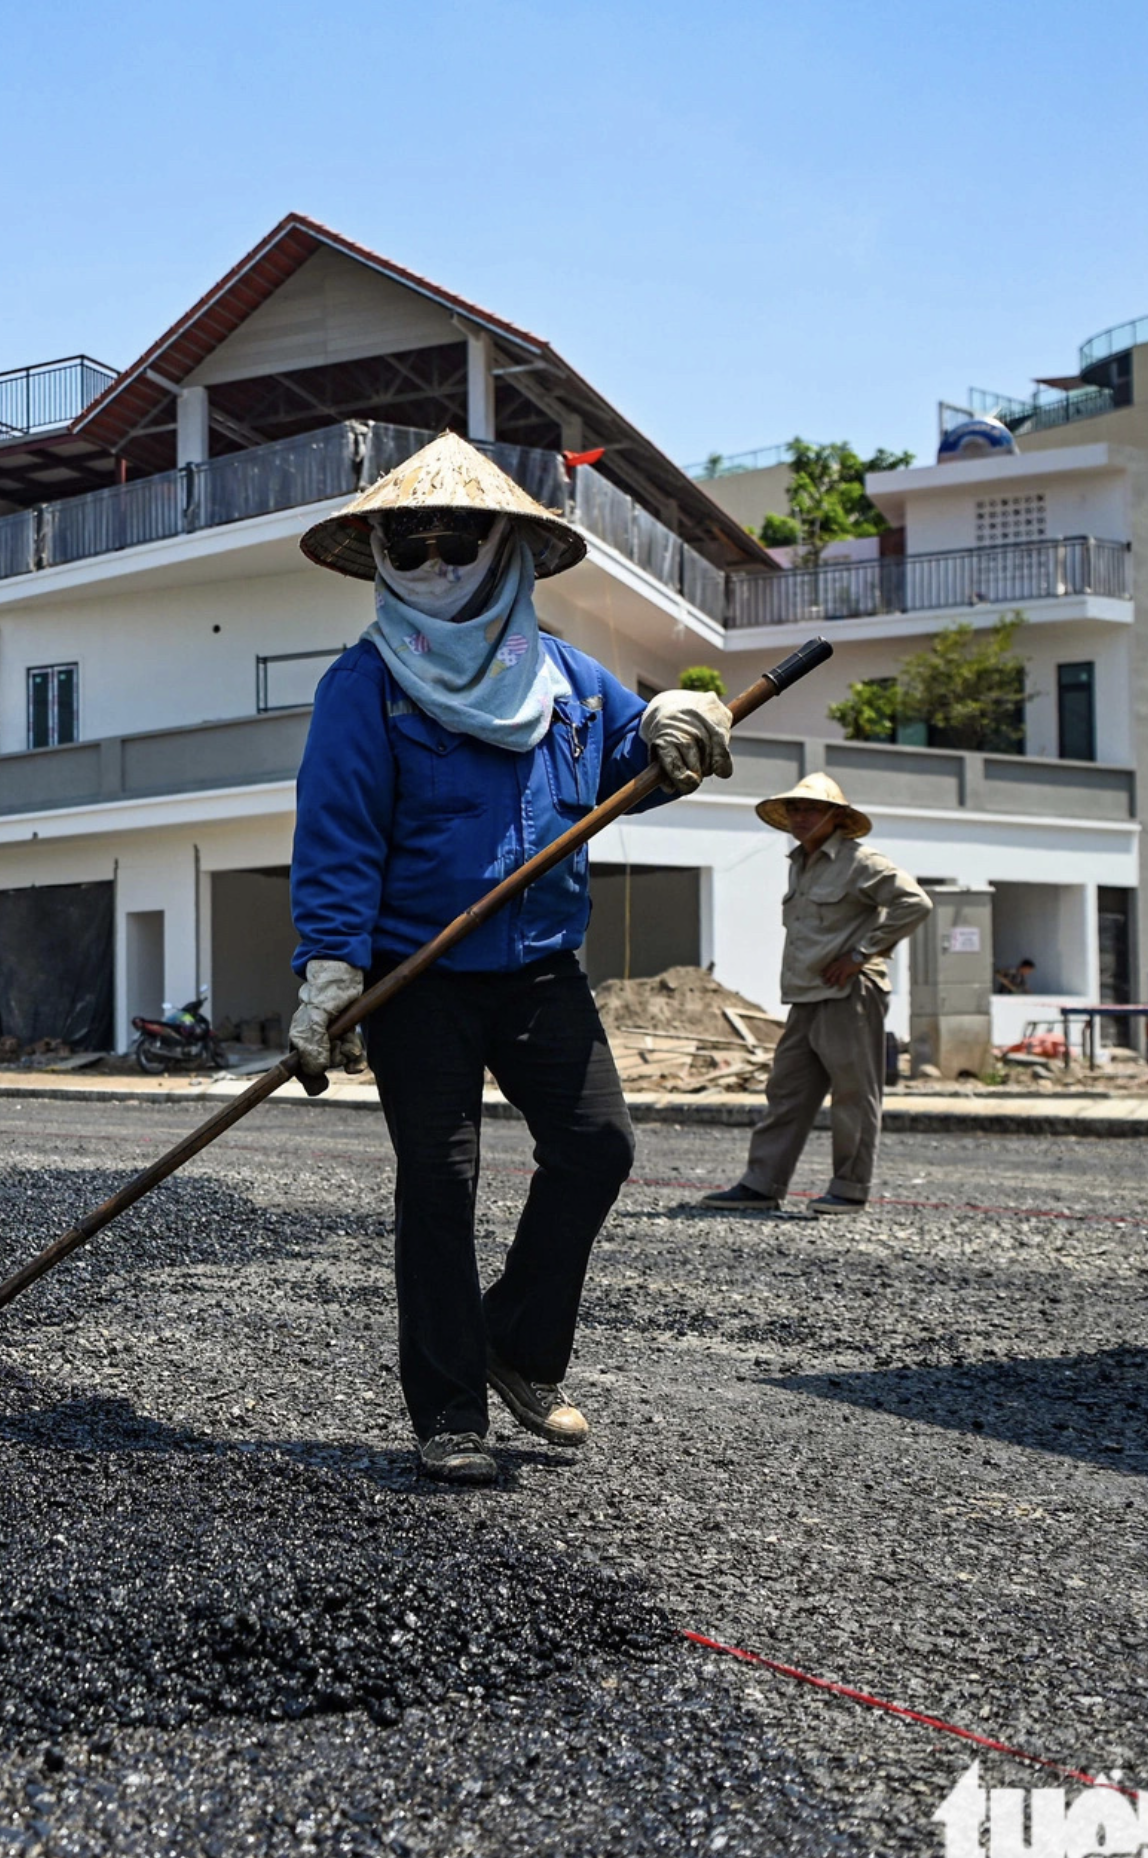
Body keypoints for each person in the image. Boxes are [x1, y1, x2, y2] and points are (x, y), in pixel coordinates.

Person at [288, 435, 734, 1486]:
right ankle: (447, 1411)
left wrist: (676, 720)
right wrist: (329, 970)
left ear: (505, 552)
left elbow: (640, 761)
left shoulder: (571, 680)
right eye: (413, 542)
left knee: (598, 1148)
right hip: (417, 978)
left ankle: (516, 1348)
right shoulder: (363, 689)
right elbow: (338, 837)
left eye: (457, 540)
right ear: (383, 555)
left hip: (539, 968)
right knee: (439, 1182)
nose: (436, 561)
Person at [698, 773, 930, 1218]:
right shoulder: (799, 862)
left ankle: (850, 1187)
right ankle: (761, 1184)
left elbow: (915, 903)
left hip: (849, 992)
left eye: (809, 809)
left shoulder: (861, 861)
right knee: (786, 1090)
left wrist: (862, 953)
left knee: (853, 1095)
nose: (799, 817)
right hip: (806, 994)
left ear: (836, 816)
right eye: (795, 810)